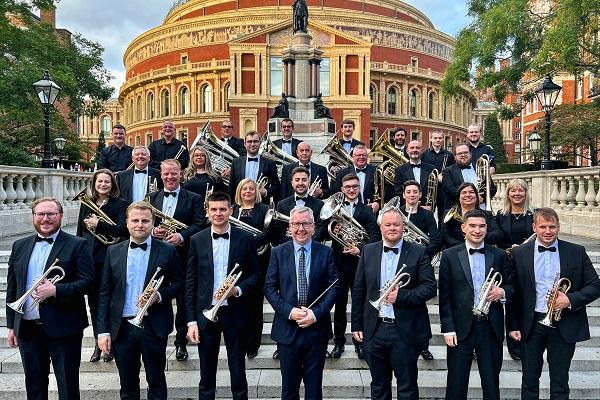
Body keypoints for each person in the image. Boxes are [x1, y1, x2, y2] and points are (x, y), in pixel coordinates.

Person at [507, 208, 600, 400]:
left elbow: (595, 286)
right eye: (542, 227)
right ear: (534, 227)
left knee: (560, 381)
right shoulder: (519, 253)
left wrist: (569, 300)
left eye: (552, 227)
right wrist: (513, 325)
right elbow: (514, 293)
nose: (547, 231)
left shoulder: (576, 251)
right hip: (531, 324)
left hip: (563, 324)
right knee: (529, 380)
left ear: (559, 228)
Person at [6, 198, 94, 400]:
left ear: (60, 216)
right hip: (27, 329)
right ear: (33, 217)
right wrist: (12, 325)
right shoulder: (19, 245)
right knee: (34, 385)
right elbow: (13, 288)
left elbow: (88, 281)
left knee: (68, 385)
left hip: (64, 327)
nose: (45, 219)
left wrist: (57, 290)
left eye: (51, 214)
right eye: (40, 214)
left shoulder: (78, 244)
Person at [97, 201, 183, 400]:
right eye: (135, 220)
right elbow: (104, 294)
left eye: (145, 221)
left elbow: (179, 282)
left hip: (153, 325)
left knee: (157, 382)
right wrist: (102, 330)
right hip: (123, 327)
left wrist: (160, 295)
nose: (140, 225)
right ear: (126, 223)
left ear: (153, 223)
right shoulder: (113, 251)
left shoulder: (167, 250)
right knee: (127, 386)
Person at [351, 206, 437, 400]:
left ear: (403, 227)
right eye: (387, 224)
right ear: (380, 227)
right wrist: (356, 324)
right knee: (379, 386)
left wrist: (402, 296)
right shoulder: (368, 250)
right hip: (375, 328)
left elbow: (430, 288)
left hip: (404, 330)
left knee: (407, 387)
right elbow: (359, 290)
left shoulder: (419, 252)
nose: (392, 228)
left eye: (396, 225)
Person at [186, 191, 259, 400]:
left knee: (238, 371)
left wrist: (238, 289)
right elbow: (191, 282)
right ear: (207, 212)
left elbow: (255, 275)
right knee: (206, 374)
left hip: (234, 313)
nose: (218, 213)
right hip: (206, 313)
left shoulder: (245, 238)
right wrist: (191, 321)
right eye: (214, 209)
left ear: (231, 211)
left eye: (223, 209)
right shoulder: (196, 240)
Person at [264, 206, 339, 400]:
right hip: (287, 330)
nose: (301, 228)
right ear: (289, 226)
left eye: (306, 224)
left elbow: (333, 289)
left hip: (317, 330)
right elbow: (270, 288)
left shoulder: (326, 253)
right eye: (296, 224)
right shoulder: (278, 252)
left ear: (314, 227)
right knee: (289, 389)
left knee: (314, 390)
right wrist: (289, 311)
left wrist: (315, 314)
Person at [439, 208, 514, 400]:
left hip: (490, 326)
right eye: (472, 226)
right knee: (456, 383)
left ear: (487, 228)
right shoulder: (449, 255)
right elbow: (445, 296)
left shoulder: (499, 255)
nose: (477, 230)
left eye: (481, 226)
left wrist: (502, 291)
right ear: (463, 228)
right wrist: (448, 328)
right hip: (461, 327)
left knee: (491, 384)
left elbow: (513, 285)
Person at [147, 159, 206, 361]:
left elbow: (200, 223)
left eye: (174, 173)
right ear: (161, 175)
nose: (170, 177)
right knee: (157, 298)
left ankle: (181, 342)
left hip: (183, 256)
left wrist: (182, 236)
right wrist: (153, 230)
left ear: (181, 174)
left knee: (183, 300)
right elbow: (145, 223)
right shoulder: (152, 197)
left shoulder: (194, 198)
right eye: (166, 174)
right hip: (158, 258)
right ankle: (157, 339)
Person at [76, 169, 129, 362]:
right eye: (100, 181)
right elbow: (80, 233)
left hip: (112, 260)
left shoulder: (121, 204)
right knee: (94, 304)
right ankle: (99, 345)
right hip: (91, 261)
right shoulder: (86, 204)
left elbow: (125, 230)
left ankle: (112, 344)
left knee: (111, 303)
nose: (103, 185)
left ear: (113, 185)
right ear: (94, 183)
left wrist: (100, 225)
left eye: (107, 182)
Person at [327, 173, 380, 360]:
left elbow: (375, 237)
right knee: (339, 304)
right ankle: (339, 342)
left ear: (359, 189)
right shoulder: (334, 210)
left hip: (360, 263)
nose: (351, 190)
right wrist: (333, 230)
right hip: (339, 262)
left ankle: (360, 342)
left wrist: (361, 249)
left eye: (355, 187)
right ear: (342, 189)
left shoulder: (366, 211)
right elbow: (321, 232)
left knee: (360, 303)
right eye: (348, 187)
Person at [495, 178, 535, 361]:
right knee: (511, 302)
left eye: (521, 190)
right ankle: (513, 343)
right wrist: (511, 247)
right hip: (508, 263)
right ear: (508, 194)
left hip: (529, 264)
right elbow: (498, 240)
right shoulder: (501, 215)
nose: (517, 193)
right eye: (513, 190)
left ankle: (528, 340)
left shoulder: (534, 215)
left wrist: (524, 249)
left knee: (527, 301)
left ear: (526, 193)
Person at [232, 178, 272, 358]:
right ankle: (240, 339)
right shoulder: (232, 209)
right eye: (244, 189)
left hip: (258, 261)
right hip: (236, 263)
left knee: (256, 304)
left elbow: (270, 233)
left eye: (251, 189)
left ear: (256, 192)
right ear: (239, 191)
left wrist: (247, 243)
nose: (247, 191)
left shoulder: (264, 210)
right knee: (239, 304)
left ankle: (253, 343)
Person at [274, 166, 326, 247]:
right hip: (289, 250)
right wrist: (294, 245)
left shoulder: (319, 205)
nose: (300, 183)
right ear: (292, 183)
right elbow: (278, 232)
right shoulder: (281, 205)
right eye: (297, 180)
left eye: (304, 180)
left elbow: (321, 230)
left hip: (312, 249)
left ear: (309, 182)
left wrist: (306, 242)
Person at [441, 182, 502, 249]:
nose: (468, 195)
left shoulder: (487, 214)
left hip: (483, 250)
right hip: (456, 252)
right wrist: (465, 246)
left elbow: (498, 234)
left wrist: (476, 238)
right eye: (464, 192)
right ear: (458, 197)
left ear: (476, 196)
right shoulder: (449, 213)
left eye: (471, 192)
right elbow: (445, 236)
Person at [227, 130, 280, 205]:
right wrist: (232, 206)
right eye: (249, 141)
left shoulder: (270, 163)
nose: (252, 144)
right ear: (244, 144)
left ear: (260, 143)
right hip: (240, 205)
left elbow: (276, 186)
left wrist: (266, 192)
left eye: (255, 141)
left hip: (262, 205)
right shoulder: (236, 162)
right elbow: (231, 188)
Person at [442, 144, 497, 210]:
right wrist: (473, 197)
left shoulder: (480, 168)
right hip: (459, 209)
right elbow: (449, 189)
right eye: (460, 153)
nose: (463, 155)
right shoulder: (448, 171)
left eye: (466, 152)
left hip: (481, 208)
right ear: (455, 157)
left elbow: (492, 188)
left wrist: (482, 199)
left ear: (470, 154)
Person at [332, 144, 380, 213]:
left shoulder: (376, 171)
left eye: (364, 155)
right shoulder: (343, 172)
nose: (361, 157)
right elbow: (335, 193)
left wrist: (378, 203)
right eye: (358, 155)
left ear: (367, 156)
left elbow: (385, 191)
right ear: (353, 156)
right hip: (349, 211)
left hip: (371, 211)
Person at [421, 130, 455, 223]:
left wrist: (444, 177)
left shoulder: (449, 155)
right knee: (427, 215)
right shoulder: (424, 154)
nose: (437, 140)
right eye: (435, 138)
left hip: (443, 190)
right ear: (431, 139)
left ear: (443, 139)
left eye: (440, 138)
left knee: (442, 216)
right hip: (429, 190)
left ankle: (442, 236)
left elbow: (453, 172)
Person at [393, 140, 436, 207]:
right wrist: (411, 205)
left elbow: (435, 192)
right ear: (407, 151)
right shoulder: (399, 170)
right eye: (412, 148)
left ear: (422, 151)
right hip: (407, 209)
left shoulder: (431, 169)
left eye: (417, 148)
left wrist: (430, 206)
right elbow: (399, 192)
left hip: (426, 209)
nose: (415, 150)